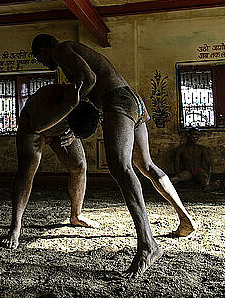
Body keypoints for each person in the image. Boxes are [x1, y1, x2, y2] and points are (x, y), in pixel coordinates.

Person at [31, 34, 196, 277]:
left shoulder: (61, 50)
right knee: (147, 165)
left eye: (38, 57)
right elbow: (88, 87)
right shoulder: (73, 52)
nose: (43, 62)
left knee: (120, 167)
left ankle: (148, 245)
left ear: (44, 49)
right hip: (133, 101)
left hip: (116, 101)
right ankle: (185, 219)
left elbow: (88, 80)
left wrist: (65, 115)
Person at [2, 83, 99, 249]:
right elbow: (38, 126)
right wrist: (66, 117)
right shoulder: (54, 99)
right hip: (33, 126)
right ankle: (15, 227)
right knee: (27, 171)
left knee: (79, 166)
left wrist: (72, 132)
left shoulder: (87, 101)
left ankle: (76, 215)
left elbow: (87, 120)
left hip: (62, 128)